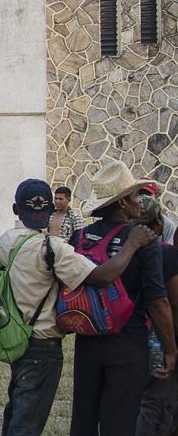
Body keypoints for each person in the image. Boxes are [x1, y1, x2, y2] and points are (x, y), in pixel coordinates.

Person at [0, 179, 151, 435]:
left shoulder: (6, 240)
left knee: (17, 412)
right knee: (27, 423)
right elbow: (100, 276)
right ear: (51, 211)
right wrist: (132, 244)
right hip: (43, 343)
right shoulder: (53, 247)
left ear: (15, 209)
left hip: (16, 336)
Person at [69, 162, 176, 435]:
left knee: (83, 417)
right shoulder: (143, 240)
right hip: (128, 344)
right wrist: (171, 350)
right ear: (124, 203)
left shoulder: (79, 237)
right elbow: (157, 300)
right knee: (120, 420)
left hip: (87, 340)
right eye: (135, 195)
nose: (139, 201)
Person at [134, 194, 178, 436]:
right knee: (157, 404)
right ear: (159, 224)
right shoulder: (167, 254)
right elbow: (168, 303)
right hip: (158, 338)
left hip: (124, 337)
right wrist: (173, 348)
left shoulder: (120, 249)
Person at [139, 179, 177, 245]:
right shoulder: (128, 218)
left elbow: (168, 250)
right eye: (141, 193)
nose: (145, 197)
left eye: (148, 194)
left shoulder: (167, 224)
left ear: (155, 196)